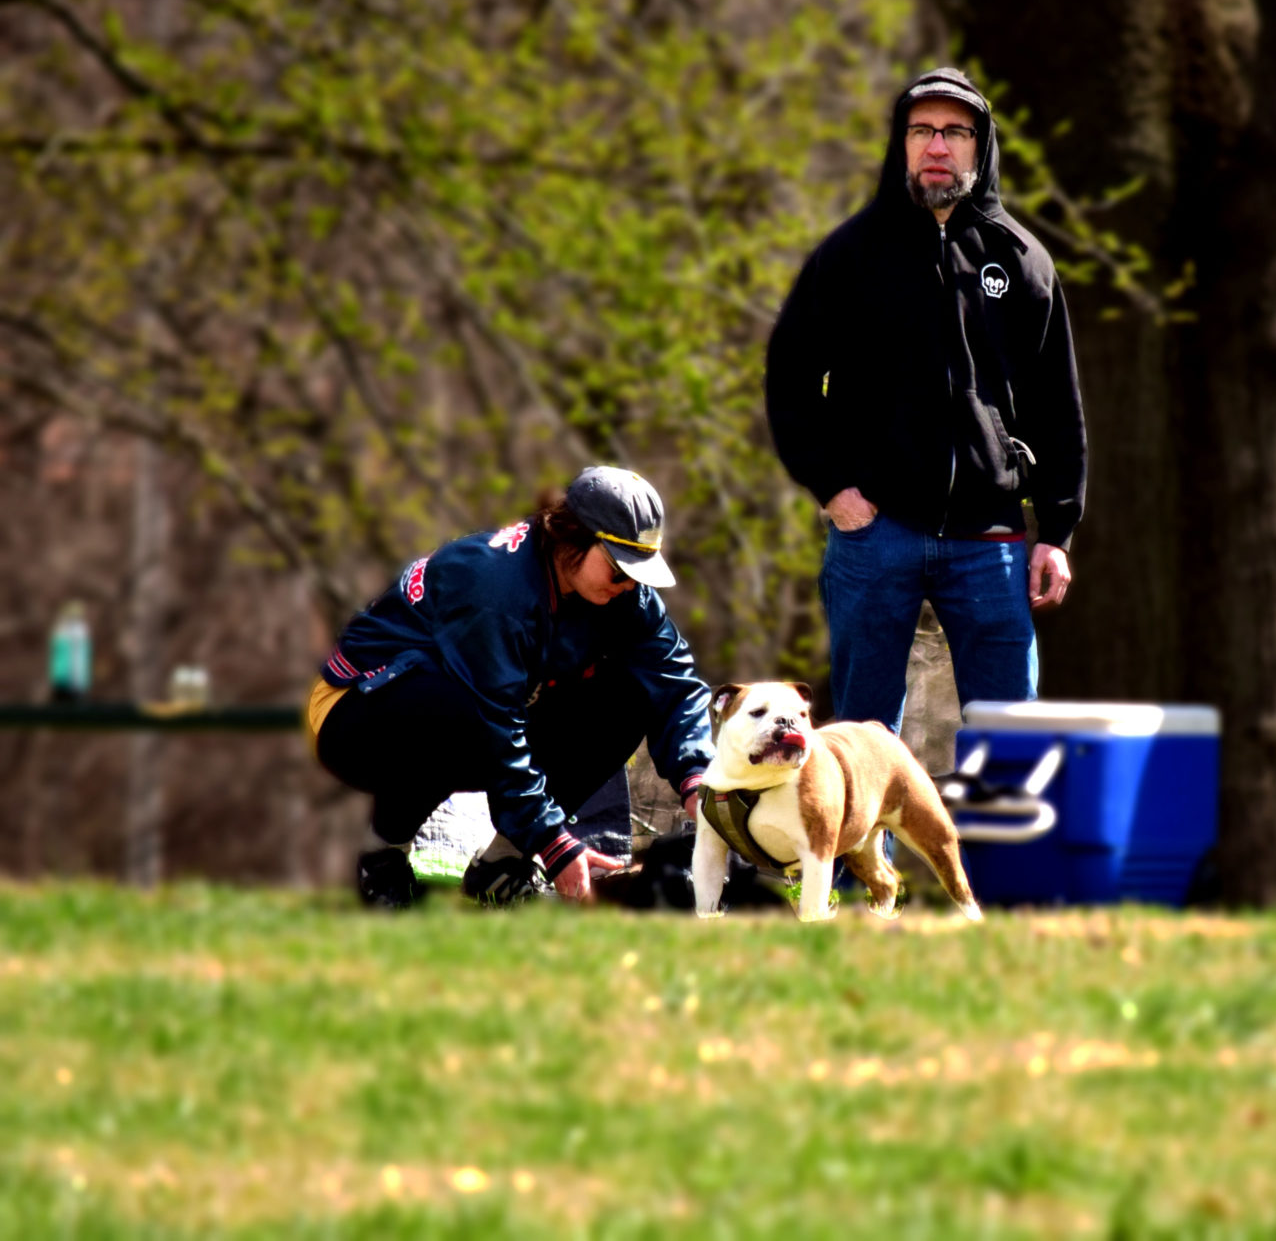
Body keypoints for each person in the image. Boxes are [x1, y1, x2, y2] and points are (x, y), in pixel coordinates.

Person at [765, 66, 1086, 731]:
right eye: (922, 131)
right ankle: (862, 844)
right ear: (901, 143)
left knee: (1010, 740)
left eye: (955, 132)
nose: (937, 146)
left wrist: (1054, 531)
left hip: (991, 538)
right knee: (862, 743)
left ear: (981, 145)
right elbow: (790, 378)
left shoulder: (1022, 259)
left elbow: (1058, 404)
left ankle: (999, 843)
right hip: (875, 532)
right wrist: (831, 487)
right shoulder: (850, 254)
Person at [309, 466, 714, 907]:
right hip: (355, 715)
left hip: (479, 715)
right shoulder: (494, 587)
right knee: (455, 704)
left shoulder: (624, 597)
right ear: (573, 538)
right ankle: (383, 852)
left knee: (630, 691)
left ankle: (503, 864)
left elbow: (673, 679)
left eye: (640, 572)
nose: (630, 584)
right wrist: (555, 842)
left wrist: (698, 780)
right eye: (620, 569)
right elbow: (494, 727)